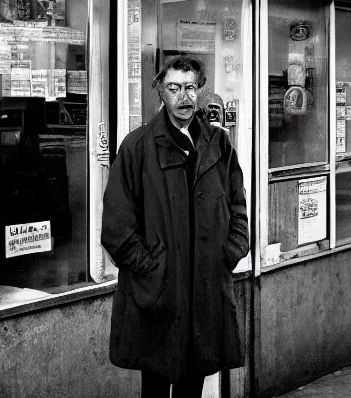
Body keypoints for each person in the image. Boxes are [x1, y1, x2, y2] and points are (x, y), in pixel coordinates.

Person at [101, 56, 249, 398]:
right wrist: (153, 268)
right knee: (155, 383)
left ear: (199, 91)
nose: (183, 97)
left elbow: (238, 207)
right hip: (158, 295)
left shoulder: (218, 144)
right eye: (174, 88)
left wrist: (229, 252)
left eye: (190, 87)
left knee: (192, 384)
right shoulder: (138, 146)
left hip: (204, 289)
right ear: (160, 93)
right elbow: (116, 228)